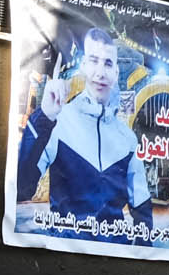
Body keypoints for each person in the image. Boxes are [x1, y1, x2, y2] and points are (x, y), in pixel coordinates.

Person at [15, 26, 150, 228]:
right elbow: (21, 187)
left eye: (107, 64)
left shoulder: (127, 139)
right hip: (64, 251)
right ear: (85, 66)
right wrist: (44, 117)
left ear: (116, 72)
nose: (100, 73)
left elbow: (143, 211)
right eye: (94, 61)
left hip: (112, 251)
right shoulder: (58, 122)